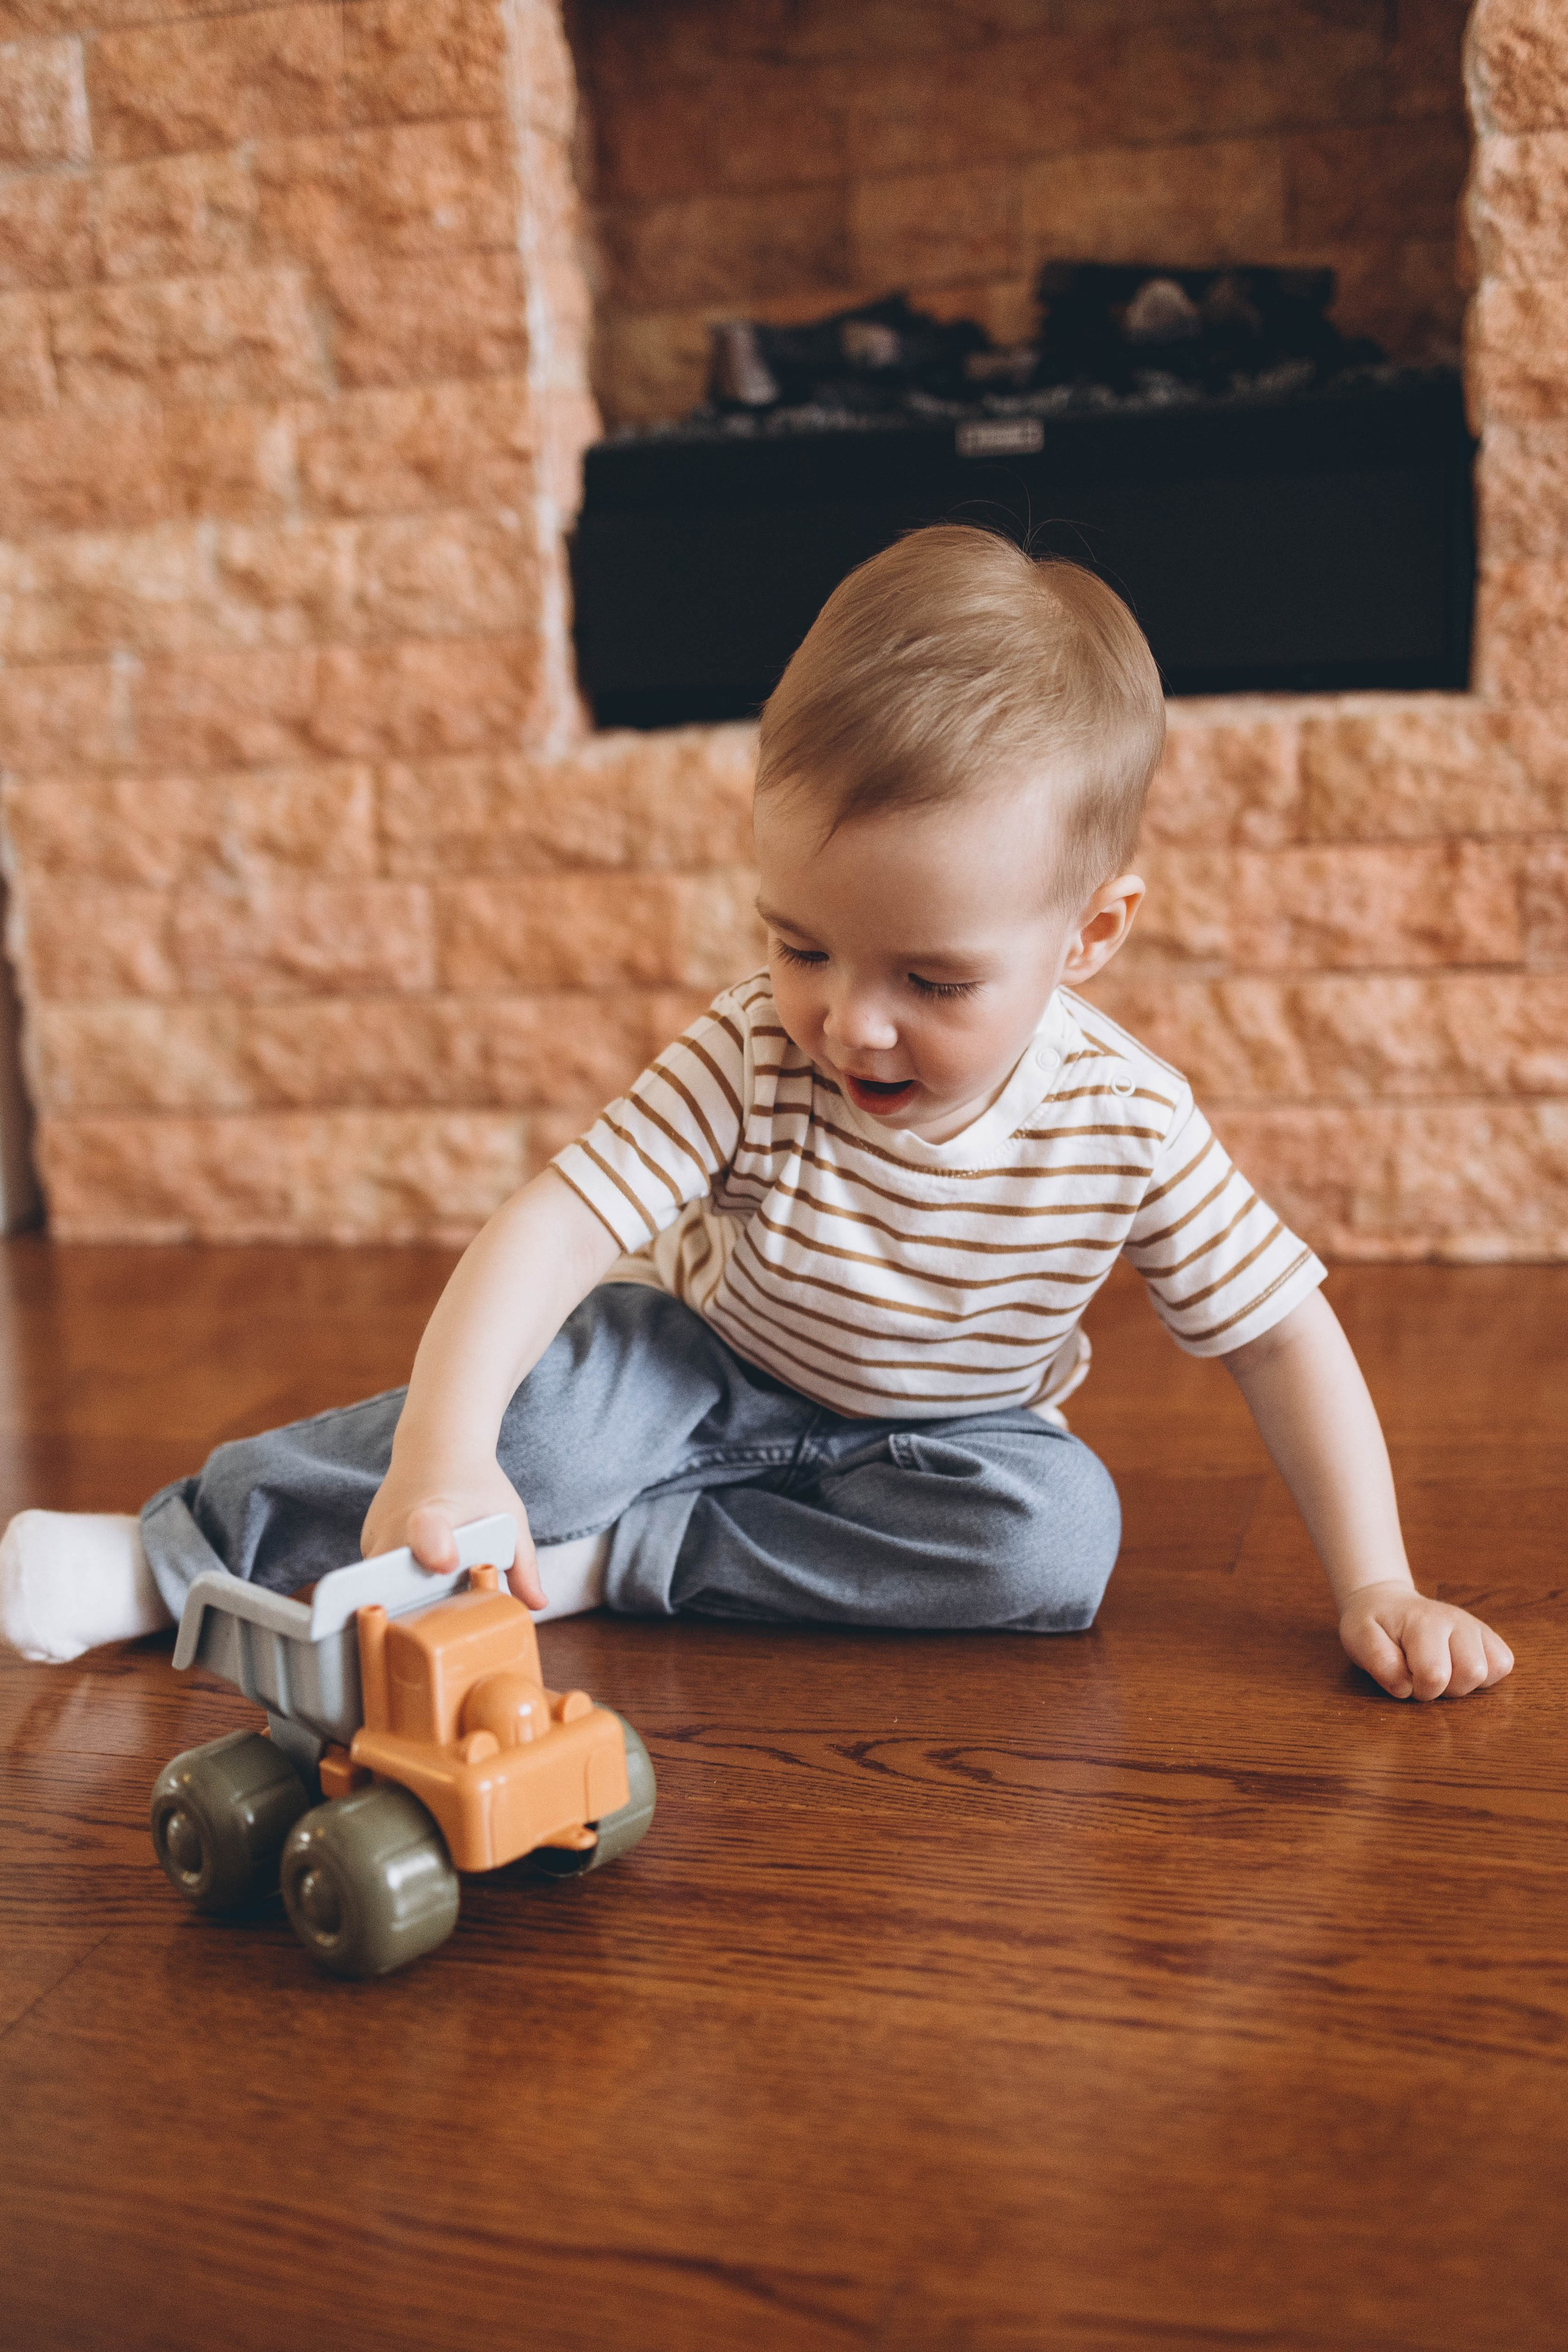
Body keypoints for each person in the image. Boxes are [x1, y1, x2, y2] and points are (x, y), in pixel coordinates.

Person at [0, 528, 1513, 1702]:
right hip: (704, 1365)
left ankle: (616, 1558)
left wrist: (1371, 1581)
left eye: (927, 975)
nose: (846, 1019)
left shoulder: (1130, 1123)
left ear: (1089, 936)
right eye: (800, 945)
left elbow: (1276, 1334)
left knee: (1052, 1542)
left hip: (946, 1437)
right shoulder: (750, 1052)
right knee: (551, 1420)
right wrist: (452, 1447)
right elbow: (554, 1223)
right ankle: (165, 1554)